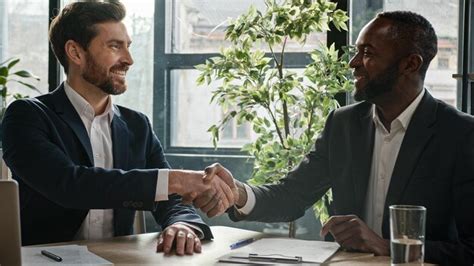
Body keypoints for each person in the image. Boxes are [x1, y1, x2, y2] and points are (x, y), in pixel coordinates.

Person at [196, 11, 474, 265]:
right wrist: (239, 194)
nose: (353, 63)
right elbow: (292, 195)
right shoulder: (343, 123)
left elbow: (471, 249)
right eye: (356, 52)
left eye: (367, 53)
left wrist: (385, 246)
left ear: (410, 64)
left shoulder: (461, 135)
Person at [1, 1, 235, 256]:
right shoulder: (26, 116)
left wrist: (182, 224)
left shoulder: (138, 126)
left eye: (128, 47)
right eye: (115, 46)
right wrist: (177, 179)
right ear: (75, 53)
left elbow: (171, 200)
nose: (129, 60)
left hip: (120, 261)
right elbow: (69, 185)